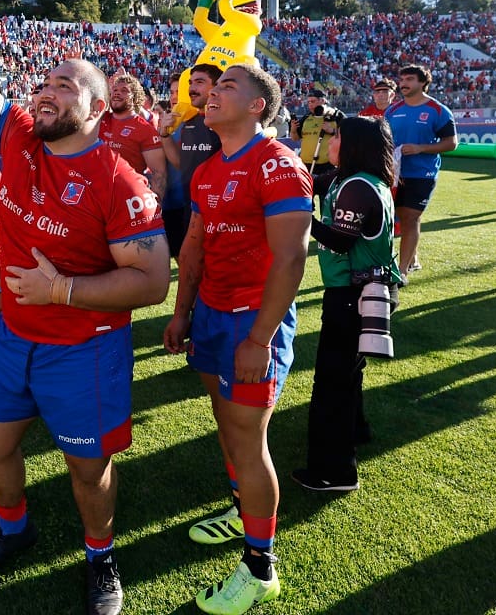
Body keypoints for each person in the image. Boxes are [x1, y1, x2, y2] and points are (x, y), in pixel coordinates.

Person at [0, 0, 170, 615]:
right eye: (44, 82)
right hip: (15, 336)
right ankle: (15, 529)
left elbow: (153, 281)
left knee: (88, 468)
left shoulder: (118, 180)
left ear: (96, 109)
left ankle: (101, 556)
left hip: (84, 347)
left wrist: (63, 289)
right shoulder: (16, 138)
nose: (46, 91)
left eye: (66, 85)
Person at [162, 63, 312, 615]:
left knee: (249, 440)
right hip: (209, 314)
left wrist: (260, 338)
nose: (213, 93)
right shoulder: (207, 170)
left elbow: (291, 258)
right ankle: (238, 509)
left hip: (253, 322)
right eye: (214, 86)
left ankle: (260, 567)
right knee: (226, 424)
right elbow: (194, 246)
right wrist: (183, 311)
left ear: (257, 106)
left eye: (228, 86)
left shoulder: (279, 164)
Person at [294, 116, 401, 493]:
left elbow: (339, 240)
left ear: (354, 145)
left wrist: (300, 217)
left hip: (354, 295)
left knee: (332, 381)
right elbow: (309, 181)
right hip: (361, 291)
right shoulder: (351, 179)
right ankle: (356, 429)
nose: (329, 142)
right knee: (348, 372)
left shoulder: (358, 186)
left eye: (337, 136)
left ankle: (335, 472)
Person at [385, 64, 458, 279]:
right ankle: (410, 258)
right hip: (393, 173)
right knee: (391, 219)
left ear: (423, 82)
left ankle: (402, 271)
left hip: (421, 174)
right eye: (402, 80)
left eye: (409, 79)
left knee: (410, 218)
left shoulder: (438, 110)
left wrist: (420, 148)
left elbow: (451, 143)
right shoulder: (392, 110)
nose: (403, 84)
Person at [160, 64, 221, 261]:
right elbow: (181, 164)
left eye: (200, 82)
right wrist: (164, 135)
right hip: (191, 210)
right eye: (190, 83)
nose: (192, 89)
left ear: (217, 86)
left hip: (220, 215)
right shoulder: (189, 123)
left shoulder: (226, 122)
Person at [98, 71, 166, 196]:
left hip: (126, 196)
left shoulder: (145, 130)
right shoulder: (98, 119)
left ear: (135, 97)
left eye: (124, 90)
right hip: (95, 193)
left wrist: (156, 202)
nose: (117, 92)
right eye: (115, 90)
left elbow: (159, 174)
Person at [290, 89, 341, 174]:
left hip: (328, 166)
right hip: (306, 164)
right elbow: (295, 138)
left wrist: (331, 130)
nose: (310, 105)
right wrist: (293, 130)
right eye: (308, 102)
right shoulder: (306, 118)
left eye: (313, 101)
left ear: (322, 100)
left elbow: (348, 136)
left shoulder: (336, 116)